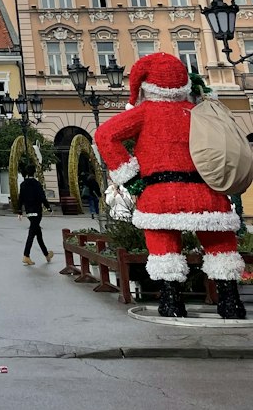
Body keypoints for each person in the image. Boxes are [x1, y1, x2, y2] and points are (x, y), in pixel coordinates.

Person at [97, 52, 248, 320]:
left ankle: (172, 301)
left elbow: (105, 136)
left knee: (164, 248)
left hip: (160, 194)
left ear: (145, 85)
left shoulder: (145, 113)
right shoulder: (199, 112)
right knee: (220, 247)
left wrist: (131, 178)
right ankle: (230, 302)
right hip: (207, 192)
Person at [17, 168, 53, 266]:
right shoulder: (37, 184)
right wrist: (48, 207)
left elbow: (20, 198)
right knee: (32, 234)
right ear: (34, 173)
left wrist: (19, 211)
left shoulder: (23, 184)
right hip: (37, 211)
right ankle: (26, 255)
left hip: (29, 212)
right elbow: (42, 197)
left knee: (38, 234)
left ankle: (46, 255)